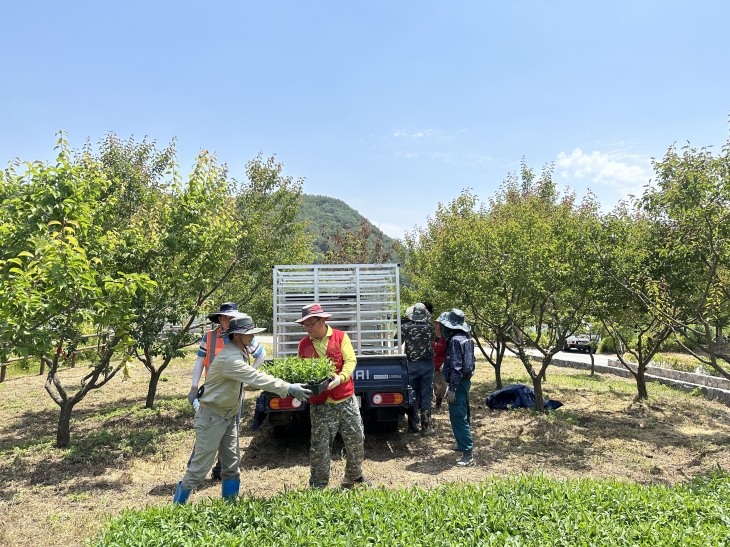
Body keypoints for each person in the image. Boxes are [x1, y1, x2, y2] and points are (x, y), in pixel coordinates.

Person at [173, 315, 312, 504]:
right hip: (212, 418)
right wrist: (288, 388)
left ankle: (229, 509)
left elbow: (245, 382)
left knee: (231, 466)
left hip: (228, 416)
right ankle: (176, 511)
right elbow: (256, 377)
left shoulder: (240, 351)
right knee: (199, 470)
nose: (252, 337)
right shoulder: (231, 358)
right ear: (237, 335)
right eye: (249, 334)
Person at [188, 302, 266, 480]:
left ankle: (220, 470)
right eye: (226, 317)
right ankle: (193, 472)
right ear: (220, 319)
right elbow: (200, 361)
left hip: (234, 394)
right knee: (208, 432)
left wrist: (250, 374)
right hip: (212, 393)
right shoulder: (209, 337)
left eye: (233, 317)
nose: (229, 320)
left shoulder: (242, 336)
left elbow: (261, 354)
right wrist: (194, 386)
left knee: (231, 432)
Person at [296, 303, 368, 489]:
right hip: (320, 405)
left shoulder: (341, 337)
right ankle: (318, 485)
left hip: (345, 400)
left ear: (323, 320)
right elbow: (301, 371)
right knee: (319, 448)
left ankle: (353, 477)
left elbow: (351, 361)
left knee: (356, 439)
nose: (308, 329)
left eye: (311, 324)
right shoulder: (303, 345)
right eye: (305, 325)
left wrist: (341, 377)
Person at [439, 308, 475, 466]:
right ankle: (462, 444)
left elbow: (456, 367)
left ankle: (467, 453)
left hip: (458, 382)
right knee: (464, 413)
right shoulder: (466, 337)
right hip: (465, 381)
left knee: (458, 416)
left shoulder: (454, 341)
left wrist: (452, 388)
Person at [401, 303, 436, 436]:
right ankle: (425, 428)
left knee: (412, 394)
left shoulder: (405, 327)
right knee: (426, 394)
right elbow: (431, 340)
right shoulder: (430, 327)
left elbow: (396, 341)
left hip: (411, 364)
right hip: (427, 364)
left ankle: (412, 425)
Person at [431, 320, 448, 411]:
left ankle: (438, 405)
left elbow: (447, 353)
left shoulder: (445, 339)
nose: (434, 325)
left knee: (441, 387)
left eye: (436, 323)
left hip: (440, 366)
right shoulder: (430, 337)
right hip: (430, 366)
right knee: (432, 386)